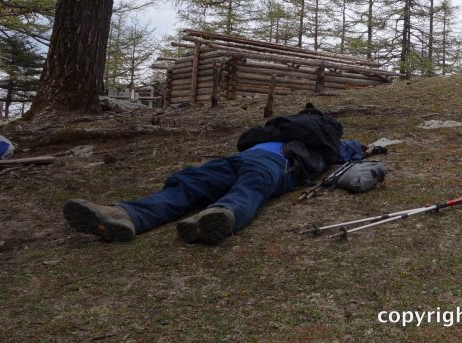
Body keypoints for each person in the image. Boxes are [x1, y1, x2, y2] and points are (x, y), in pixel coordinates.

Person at [63, 103, 369, 245]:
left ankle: (133, 215)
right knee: (231, 186)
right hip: (268, 163)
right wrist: (365, 147)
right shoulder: (327, 141)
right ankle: (126, 217)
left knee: (193, 183)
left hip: (246, 158)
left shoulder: (285, 130)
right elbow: (348, 148)